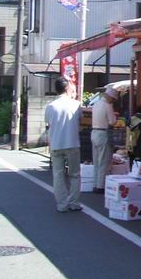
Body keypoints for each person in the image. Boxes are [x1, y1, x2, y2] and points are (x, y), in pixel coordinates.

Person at [44, 77, 83, 212]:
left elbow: (48, 123)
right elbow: (80, 120)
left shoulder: (50, 106)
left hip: (56, 143)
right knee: (74, 174)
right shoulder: (76, 104)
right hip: (72, 142)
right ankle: (74, 203)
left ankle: (62, 205)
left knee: (58, 174)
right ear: (67, 88)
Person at [91, 87, 118, 194]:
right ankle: (100, 186)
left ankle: (95, 183)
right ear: (110, 97)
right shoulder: (108, 106)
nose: (113, 100)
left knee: (96, 160)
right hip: (103, 133)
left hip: (94, 132)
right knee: (104, 161)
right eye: (113, 99)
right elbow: (112, 122)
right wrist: (115, 116)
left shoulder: (96, 104)